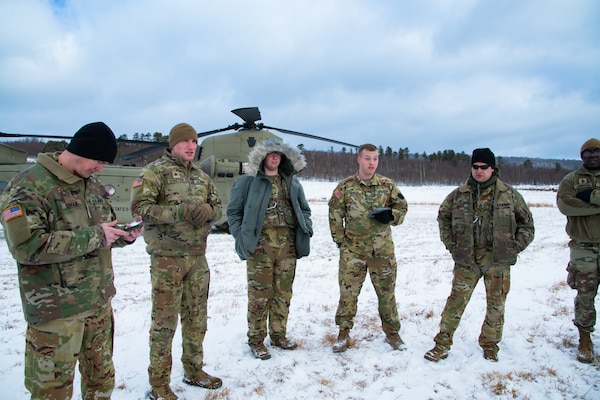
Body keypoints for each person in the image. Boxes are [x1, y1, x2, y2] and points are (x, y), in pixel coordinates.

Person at [0, 122, 143, 399]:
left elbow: (101, 234)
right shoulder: (29, 185)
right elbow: (25, 247)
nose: (101, 168)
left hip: (98, 306)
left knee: (101, 385)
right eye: (99, 161)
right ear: (80, 151)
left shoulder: (92, 185)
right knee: (52, 393)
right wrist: (95, 236)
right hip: (57, 315)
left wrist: (123, 237)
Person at [130, 123, 223, 400]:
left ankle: (194, 370)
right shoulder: (154, 172)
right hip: (167, 259)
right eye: (185, 141)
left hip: (197, 258)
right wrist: (180, 211)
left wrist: (208, 210)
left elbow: (218, 207)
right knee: (164, 324)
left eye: (194, 141)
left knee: (196, 319)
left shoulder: (201, 176)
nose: (191, 146)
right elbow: (140, 209)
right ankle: (159, 384)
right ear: (173, 145)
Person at [424, 148, 535, 363]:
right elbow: (443, 217)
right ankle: (442, 344)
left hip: (497, 261)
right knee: (455, 303)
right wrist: (451, 244)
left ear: (493, 168)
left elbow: (527, 226)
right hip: (467, 260)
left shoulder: (509, 195)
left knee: (496, 305)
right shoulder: (459, 194)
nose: (479, 171)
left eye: (484, 167)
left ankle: (490, 345)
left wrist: (513, 248)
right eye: (475, 167)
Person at [227, 139, 313, 360]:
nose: (275, 158)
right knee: (259, 296)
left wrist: (306, 227)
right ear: (262, 157)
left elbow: (304, 209)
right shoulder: (247, 182)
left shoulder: (292, 183)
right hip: (260, 247)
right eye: (271, 154)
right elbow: (233, 212)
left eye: (279, 155)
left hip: (288, 246)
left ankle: (278, 335)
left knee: (283, 294)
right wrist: (242, 235)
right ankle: (256, 340)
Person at [328, 143, 409, 353]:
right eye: (367, 158)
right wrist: (341, 242)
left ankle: (392, 334)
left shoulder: (387, 185)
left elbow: (402, 207)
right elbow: (335, 215)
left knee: (387, 294)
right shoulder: (345, 187)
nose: (371, 163)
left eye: (375, 158)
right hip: (353, 252)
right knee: (348, 295)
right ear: (359, 159)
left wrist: (391, 215)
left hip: (382, 252)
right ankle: (343, 333)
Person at [557, 138, 600, 364]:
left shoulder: (582, 188)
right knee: (585, 294)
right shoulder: (571, 180)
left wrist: (590, 197)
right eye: (588, 152)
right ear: (582, 156)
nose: (593, 155)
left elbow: (576, 205)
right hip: (583, 246)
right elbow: (565, 204)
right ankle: (585, 339)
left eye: (597, 151)